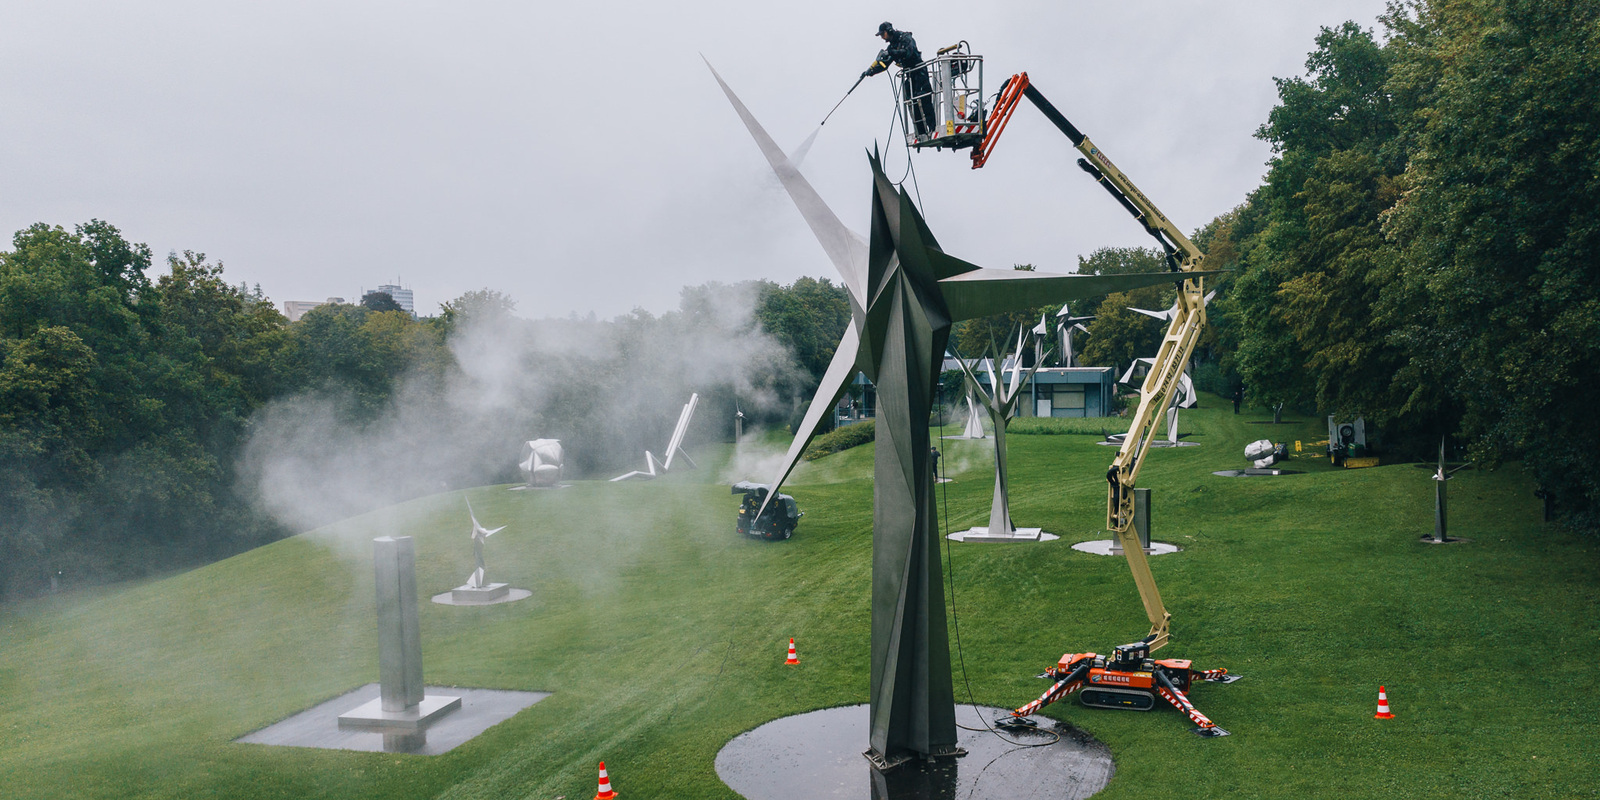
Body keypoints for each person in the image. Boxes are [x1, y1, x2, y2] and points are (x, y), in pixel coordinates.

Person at [862, 22, 935, 136]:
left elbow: (909, 53)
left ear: (889, 31)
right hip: (909, 74)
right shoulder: (891, 46)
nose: (882, 37)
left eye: (883, 34)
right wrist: (871, 71)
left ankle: (932, 127)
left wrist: (893, 53)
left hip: (919, 71)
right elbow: (884, 64)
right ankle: (921, 131)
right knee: (911, 101)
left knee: (924, 98)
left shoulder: (905, 38)